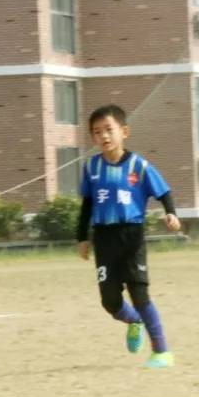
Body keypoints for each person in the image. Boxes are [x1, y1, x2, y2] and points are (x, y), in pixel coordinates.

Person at [75, 104, 181, 369]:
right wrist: (82, 237)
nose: (104, 136)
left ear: (124, 132)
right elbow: (87, 204)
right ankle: (133, 321)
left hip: (131, 236)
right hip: (104, 238)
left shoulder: (139, 166)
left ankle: (161, 351)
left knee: (139, 293)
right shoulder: (92, 168)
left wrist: (171, 213)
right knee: (109, 301)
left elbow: (163, 192)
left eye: (109, 130)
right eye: (97, 132)